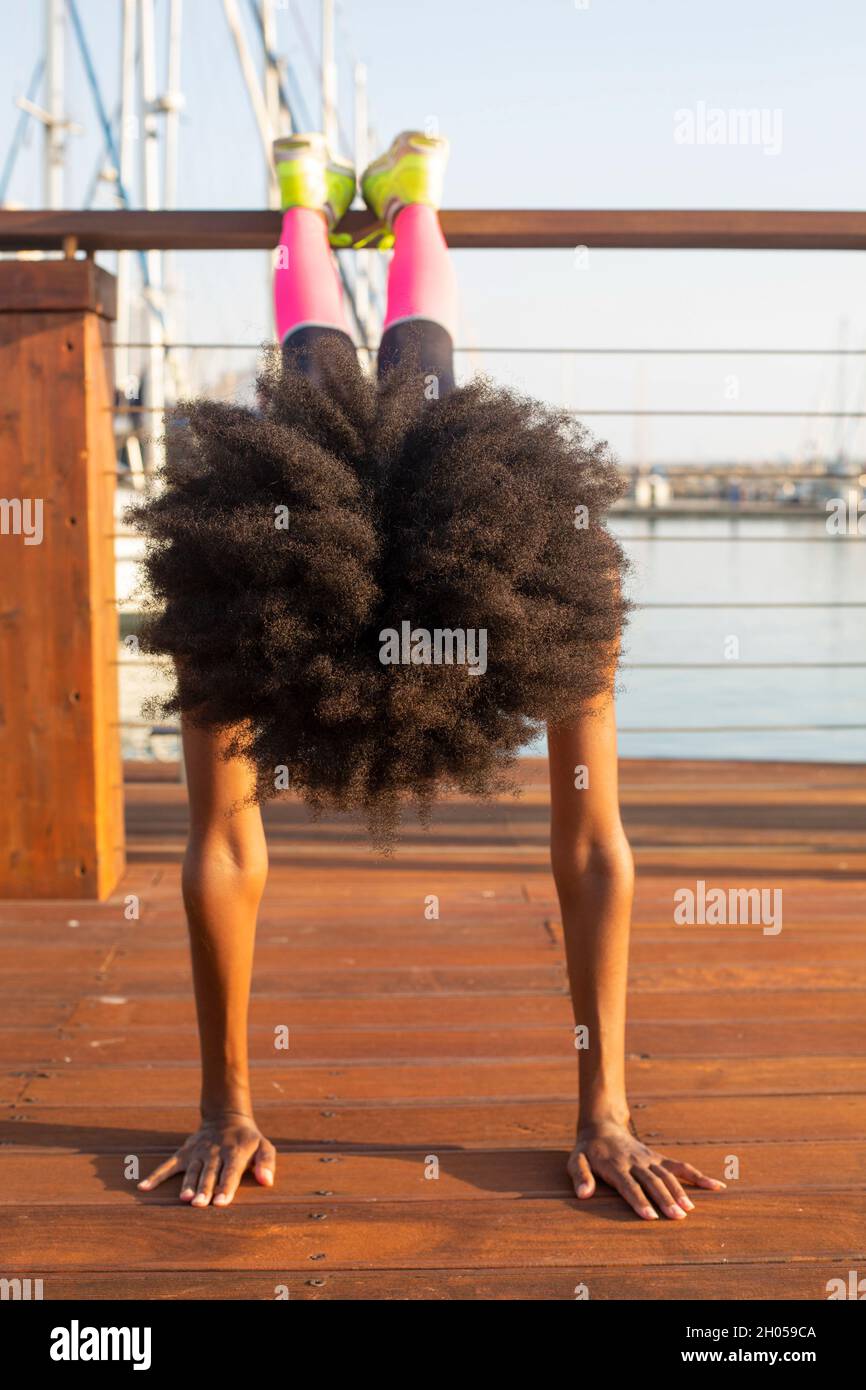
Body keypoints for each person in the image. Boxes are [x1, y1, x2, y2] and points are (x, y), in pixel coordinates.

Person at [136, 130, 725, 1218]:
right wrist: (224, 1101)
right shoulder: (243, 598)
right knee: (370, 362)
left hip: (437, 499)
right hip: (328, 520)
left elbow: (594, 847)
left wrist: (608, 1109)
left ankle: (343, 206)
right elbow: (222, 845)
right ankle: (365, 205)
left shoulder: (548, 590)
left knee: (367, 362)